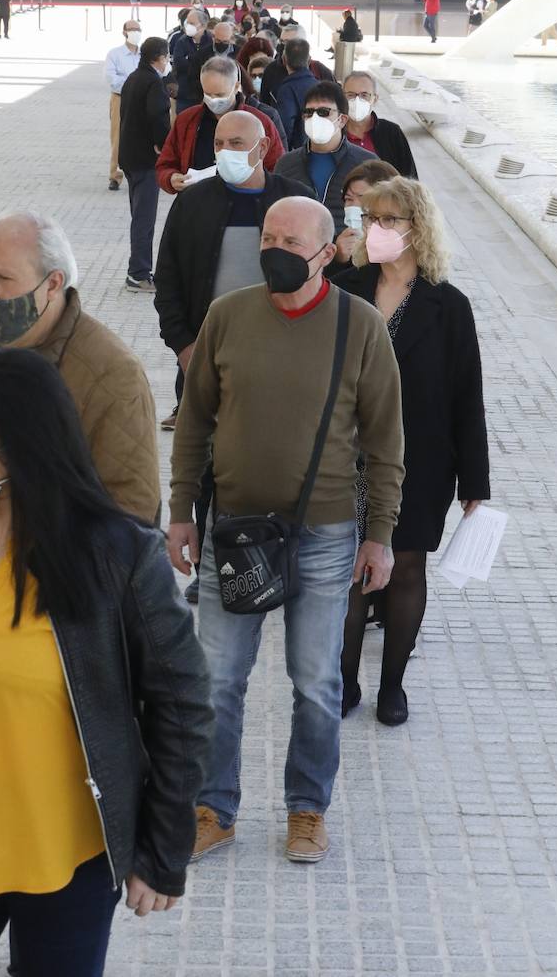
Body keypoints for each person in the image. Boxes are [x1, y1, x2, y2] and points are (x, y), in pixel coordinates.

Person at [0, 349, 213, 977]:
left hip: (65, 858)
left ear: (18, 444)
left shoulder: (116, 556)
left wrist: (163, 851)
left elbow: (183, 705)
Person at [167, 196, 404, 865]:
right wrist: (182, 509)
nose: (273, 247)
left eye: (290, 239)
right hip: (233, 534)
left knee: (316, 682)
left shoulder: (359, 326)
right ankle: (213, 808)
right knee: (216, 679)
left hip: (327, 538)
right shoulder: (227, 316)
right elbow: (194, 422)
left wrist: (379, 533)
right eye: (267, 235)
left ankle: (307, 809)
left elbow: (387, 441)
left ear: (327, 253)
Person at [0, 212, 161, 564]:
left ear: (53, 283)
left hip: (53, 589)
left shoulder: (109, 373)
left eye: (3, 278)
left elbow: (132, 510)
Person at [337, 176, 489, 725]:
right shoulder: (344, 288)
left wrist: (474, 482)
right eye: (370, 219)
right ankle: (344, 681)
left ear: (417, 229)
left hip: (419, 461)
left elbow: (466, 393)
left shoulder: (448, 306)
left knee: (404, 569)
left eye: (388, 220)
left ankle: (392, 686)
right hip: (345, 455)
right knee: (346, 570)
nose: (375, 229)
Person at [154, 111, 312, 582]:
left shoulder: (294, 202)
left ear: (262, 149)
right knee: (205, 465)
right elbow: (169, 284)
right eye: (218, 143)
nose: (223, 151)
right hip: (207, 363)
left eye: (235, 142)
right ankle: (210, 568)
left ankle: (280, 559)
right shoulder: (194, 203)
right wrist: (185, 348)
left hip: (281, 366)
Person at [155, 57, 284, 194]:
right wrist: (171, 178)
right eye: (208, 94)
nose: (213, 100)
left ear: (236, 86)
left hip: (247, 204)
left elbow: (278, 168)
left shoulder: (259, 121)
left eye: (220, 95)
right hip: (196, 203)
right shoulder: (187, 121)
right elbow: (165, 164)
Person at [274, 78, 368, 233]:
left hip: (353, 252)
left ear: (342, 120)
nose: (315, 118)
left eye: (324, 112)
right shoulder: (285, 164)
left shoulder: (366, 164)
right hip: (300, 253)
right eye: (309, 112)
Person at [119, 36, 171, 292]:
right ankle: (138, 274)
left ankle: (139, 270)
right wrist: (163, 144)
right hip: (145, 160)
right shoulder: (153, 83)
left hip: (128, 156)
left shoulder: (132, 78)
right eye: (166, 57)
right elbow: (159, 117)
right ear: (160, 58)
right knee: (144, 218)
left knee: (139, 215)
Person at [341, 71, 418, 176]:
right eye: (351, 95)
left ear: (375, 99)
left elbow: (409, 176)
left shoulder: (391, 132)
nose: (357, 101)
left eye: (364, 95)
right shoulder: (334, 133)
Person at [333, 158, 399, 268]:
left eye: (364, 199)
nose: (354, 207)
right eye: (348, 199)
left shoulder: (407, 245)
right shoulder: (335, 245)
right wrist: (337, 259)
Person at [104, 20, 143, 191]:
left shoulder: (145, 55)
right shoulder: (115, 54)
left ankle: (140, 173)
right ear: (124, 32)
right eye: (131, 29)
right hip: (121, 98)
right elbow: (112, 79)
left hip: (143, 99)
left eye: (138, 29)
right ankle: (115, 175)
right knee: (118, 136)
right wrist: (134, 83)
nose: (135, 32)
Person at [172, 8, 210, 112]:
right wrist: (198, 64)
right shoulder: (181, 42)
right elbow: (179, 64)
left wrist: (190, 60)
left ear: (203, 25)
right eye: (187, 22)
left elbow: (210, 65)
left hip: (206, 95)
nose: (188, 25)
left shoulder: (211, 41)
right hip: (185, 95)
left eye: (192, 23)